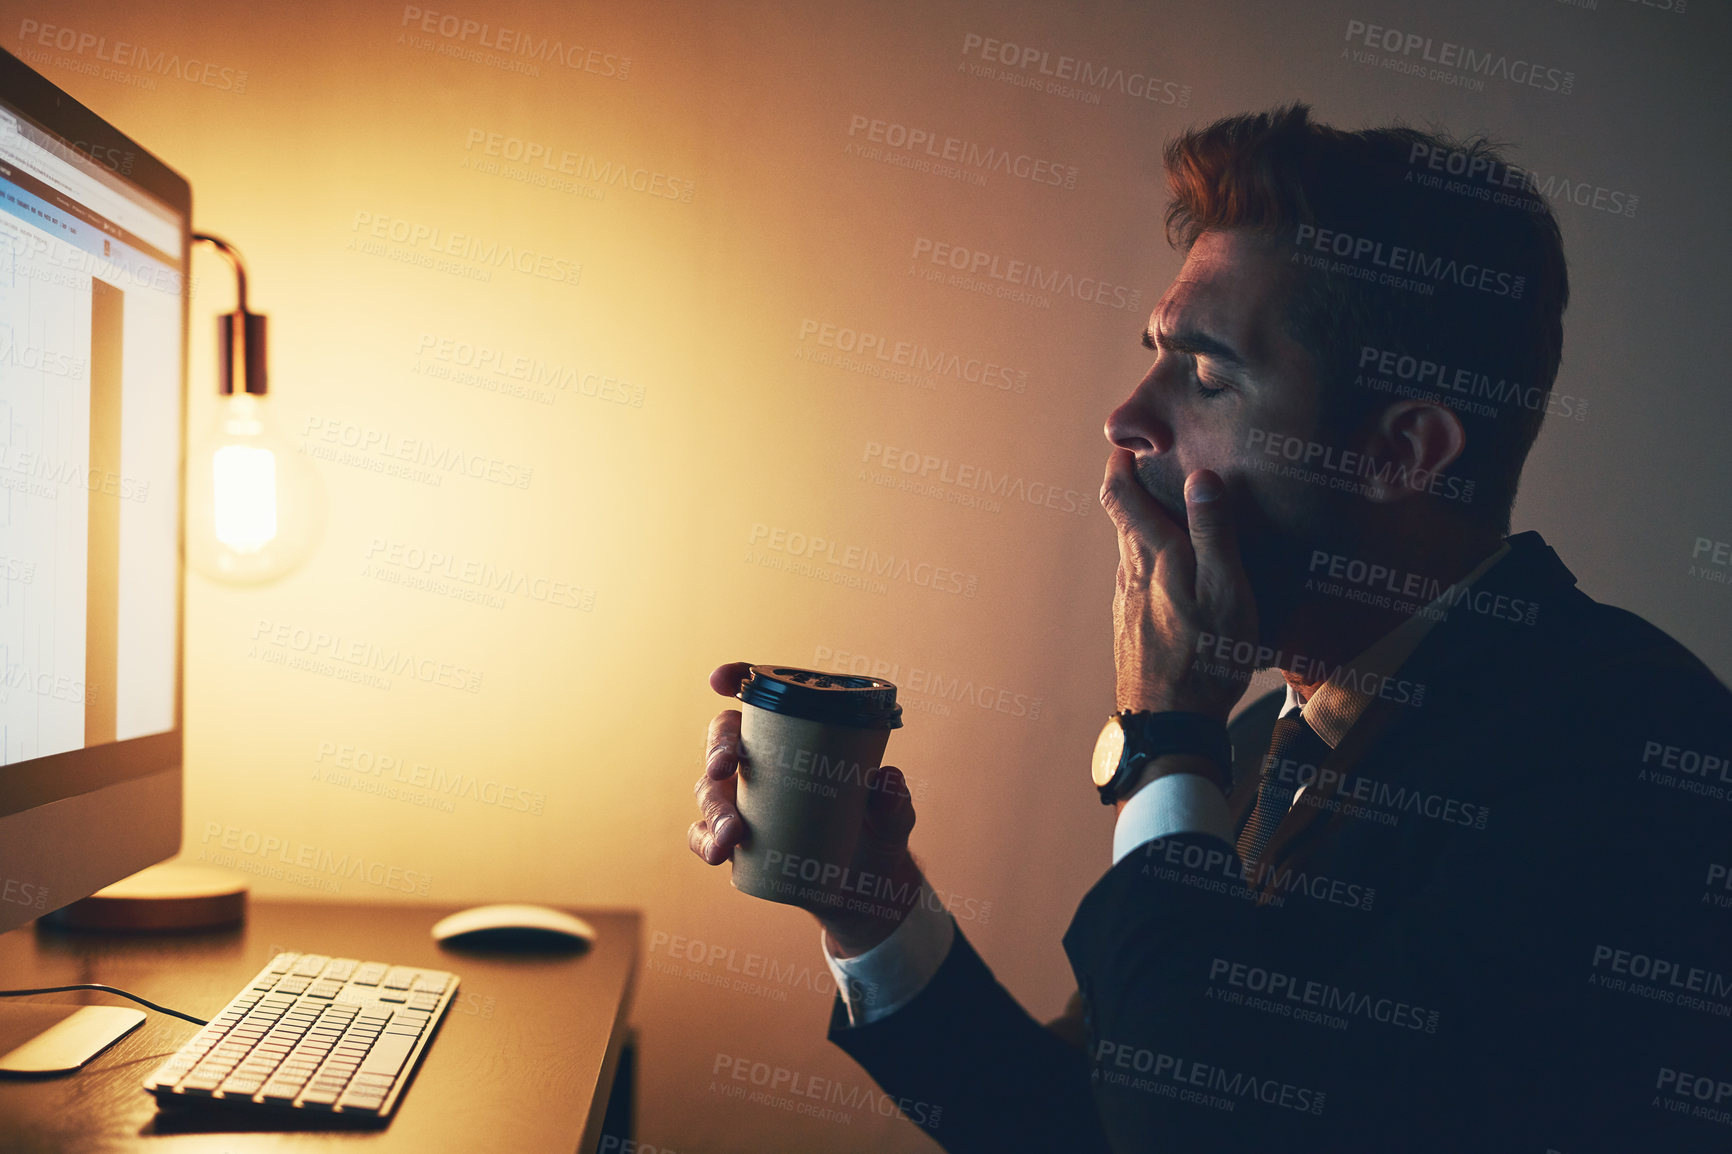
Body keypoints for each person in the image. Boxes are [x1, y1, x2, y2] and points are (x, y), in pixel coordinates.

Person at [688, 104, 1732, 1152]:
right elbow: (1094, 1124)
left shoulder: (1635, 757)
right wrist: (871, 905)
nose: (1125, 416)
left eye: (1204, 374)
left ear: (1404, 450)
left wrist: (1160, 733)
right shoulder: (1254, 744)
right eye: (1152, 354)